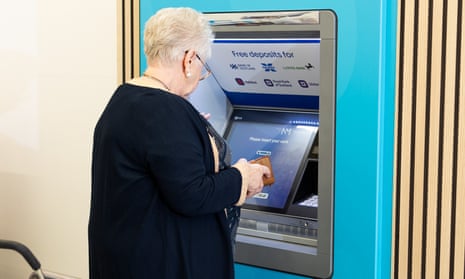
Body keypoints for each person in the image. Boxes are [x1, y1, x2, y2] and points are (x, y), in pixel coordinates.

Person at [88, 7, 271, 279]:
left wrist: (189, 133)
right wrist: (244, 177)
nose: (200, 75)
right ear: (188, 59)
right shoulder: (166, 110)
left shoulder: (125, 98)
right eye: (202, 66)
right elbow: (193, 194)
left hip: (125, 259)